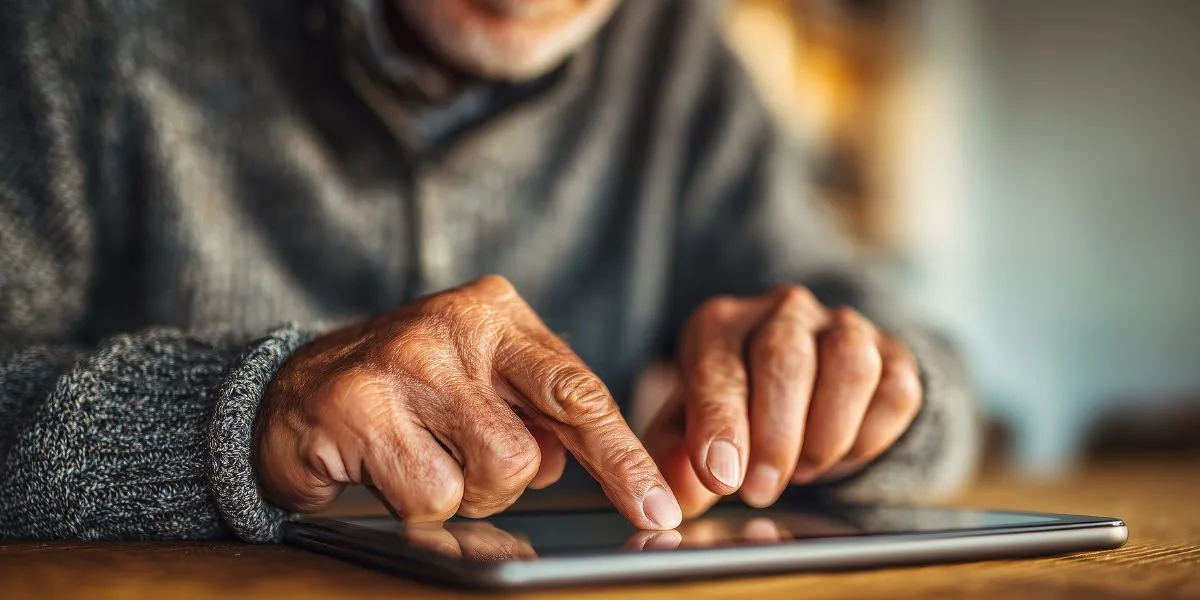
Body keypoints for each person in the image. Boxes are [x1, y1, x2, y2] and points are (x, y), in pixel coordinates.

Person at [0, 0, 979, 542]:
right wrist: (249, 411)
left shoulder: (676, 49)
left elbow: (936, 382)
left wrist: (870, 391)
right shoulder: (83, 28)